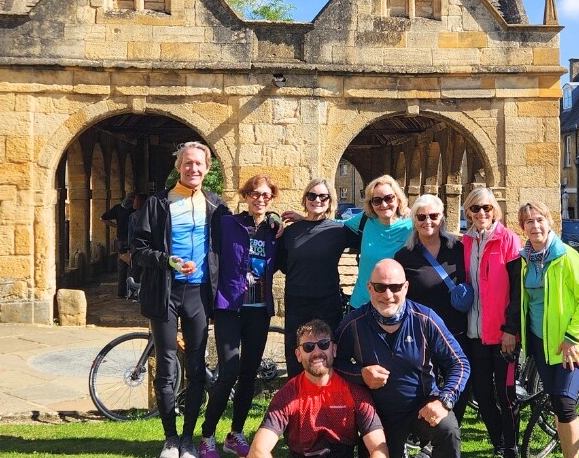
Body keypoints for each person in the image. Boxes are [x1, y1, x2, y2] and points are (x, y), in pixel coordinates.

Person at [132, 141, 230, 458]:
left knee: (197, 367)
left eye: (199, 164)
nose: (194, 169)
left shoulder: (215, 205)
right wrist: (167, 260)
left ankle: (188, 438)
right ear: (179, 166)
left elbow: (243, 231)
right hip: (165, 292)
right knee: (166, 368)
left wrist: (272, 221)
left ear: (208, 168)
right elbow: (138, 249)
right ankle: (171, 438)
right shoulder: (158, 204)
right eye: (188, 163)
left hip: (199, 293)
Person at [334, 259, 470, 458]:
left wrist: (444, 401)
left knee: (447, 429)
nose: (387, 295)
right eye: (380, 287)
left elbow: (459, 363)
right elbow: (335, 364)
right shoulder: (354, 324)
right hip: (374, 415)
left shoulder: (425, 318)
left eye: (395, 287)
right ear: (369, 288)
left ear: (406, 287)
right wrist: (360, 374)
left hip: (420, 408)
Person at [199, 175, 283, 458]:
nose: (260, 199)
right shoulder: (228, 224)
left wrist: (277, 220)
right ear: (246, 196)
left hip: (259, 311)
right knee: (229, 371)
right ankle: (207, 435)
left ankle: (235, 434)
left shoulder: (273, 231)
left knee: (248, 374)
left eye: (266, 195)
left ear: (272, 199)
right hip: (230, 307)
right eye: (255, 194)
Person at [509, 201, 579, 458]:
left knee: (565, 402)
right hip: (540, 343)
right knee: (558, 406)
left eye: (539, 219)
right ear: (522, 227)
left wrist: (572, 337)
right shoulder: (524, 260)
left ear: (550, 222)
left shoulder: (567, 256)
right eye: (529, 221)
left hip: (571, 345)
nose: (535, 226)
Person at [248, 319, 388, 458]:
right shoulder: (287, 395)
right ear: (298, 355)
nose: (317, 352)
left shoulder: (355, 393)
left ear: (334, 350)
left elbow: (378, 448)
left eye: (323, 344)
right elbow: (258, 450)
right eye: (308, 346)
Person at [394, 194, 470, 429]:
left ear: (442, 218)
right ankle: (429, 431)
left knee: (459, 383)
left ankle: (451, 431)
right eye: (422, 216)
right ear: (414, 221)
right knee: (426, 385)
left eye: (434, 216)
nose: (428, 221)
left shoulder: (458, 248)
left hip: (456, 331)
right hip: (423, 335)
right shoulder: (404, 256)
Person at [461, 187, 522, 458]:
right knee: (483, 395)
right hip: (475, 334)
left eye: (487, 208)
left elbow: (518, 290)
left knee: (506, 396)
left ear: (495, 210)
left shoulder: (508, 240)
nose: (482, 213)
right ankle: (499, 442)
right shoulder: (464, 243)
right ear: (468, 212)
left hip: (503, 335)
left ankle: (511, 448)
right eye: (476, 208)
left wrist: (511, 329)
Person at [279, 179, 360, 378]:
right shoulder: (290, 232)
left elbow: (369, 236)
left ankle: (328, 402)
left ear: (330, 201)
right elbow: (282, 264)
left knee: (329, 353)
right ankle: (297, 401)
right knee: (296, 353)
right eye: (312, 195)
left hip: (327, 301)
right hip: (297, 301)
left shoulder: (338, 230)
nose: (317, 200)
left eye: (323, 196)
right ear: (305, 199)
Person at [344, 175, 413, 311]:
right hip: (362, 304)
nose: (384, 204)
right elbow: (336, 225)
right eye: (377, 200)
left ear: (397, 198)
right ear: (371, 204)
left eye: (388, 198)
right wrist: (305, 219)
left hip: (394, 305)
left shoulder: (412, 225)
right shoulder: (365, 220)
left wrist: (415, 211)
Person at [102, 194, 135, 297]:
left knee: (122, 266)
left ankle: (121, 293)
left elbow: (102, 218)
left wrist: (116, 226)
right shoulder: (136, 210)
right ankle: (133, 292)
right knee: (135, 266)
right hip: (134, 240)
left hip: (121, 240)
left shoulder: (118, 208)